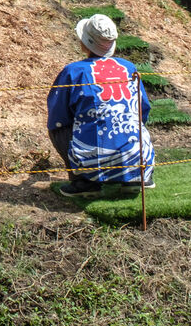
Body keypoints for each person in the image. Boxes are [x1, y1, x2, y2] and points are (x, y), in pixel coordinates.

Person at [46, 14, 155, 196]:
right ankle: (136, 176)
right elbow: (143, 109)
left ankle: (84, 181)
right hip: (137, 156)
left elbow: (58, 113)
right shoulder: (129, 67)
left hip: (94, 157)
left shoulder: (73, 71)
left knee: (56, 127)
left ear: (84, 43)